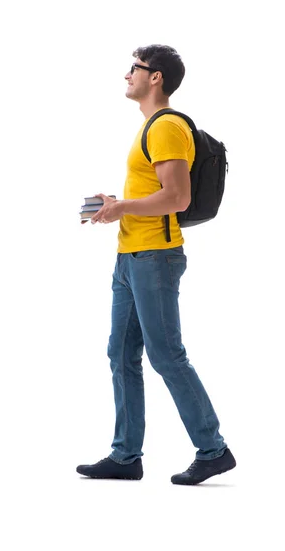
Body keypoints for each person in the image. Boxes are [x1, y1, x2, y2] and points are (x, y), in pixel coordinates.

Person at [76, 44, 236, 485]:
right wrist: (116, 206)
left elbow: (178, 198)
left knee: (167, 356)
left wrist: (122, 207)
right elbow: (156, 192)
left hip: (155, 258)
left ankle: (213, 450)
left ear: (156, 78)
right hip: (131, 256)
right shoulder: (149, 127)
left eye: (135, 68)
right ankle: (126, 456)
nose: (127, 75)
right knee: (121, 354)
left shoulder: (165, 127)